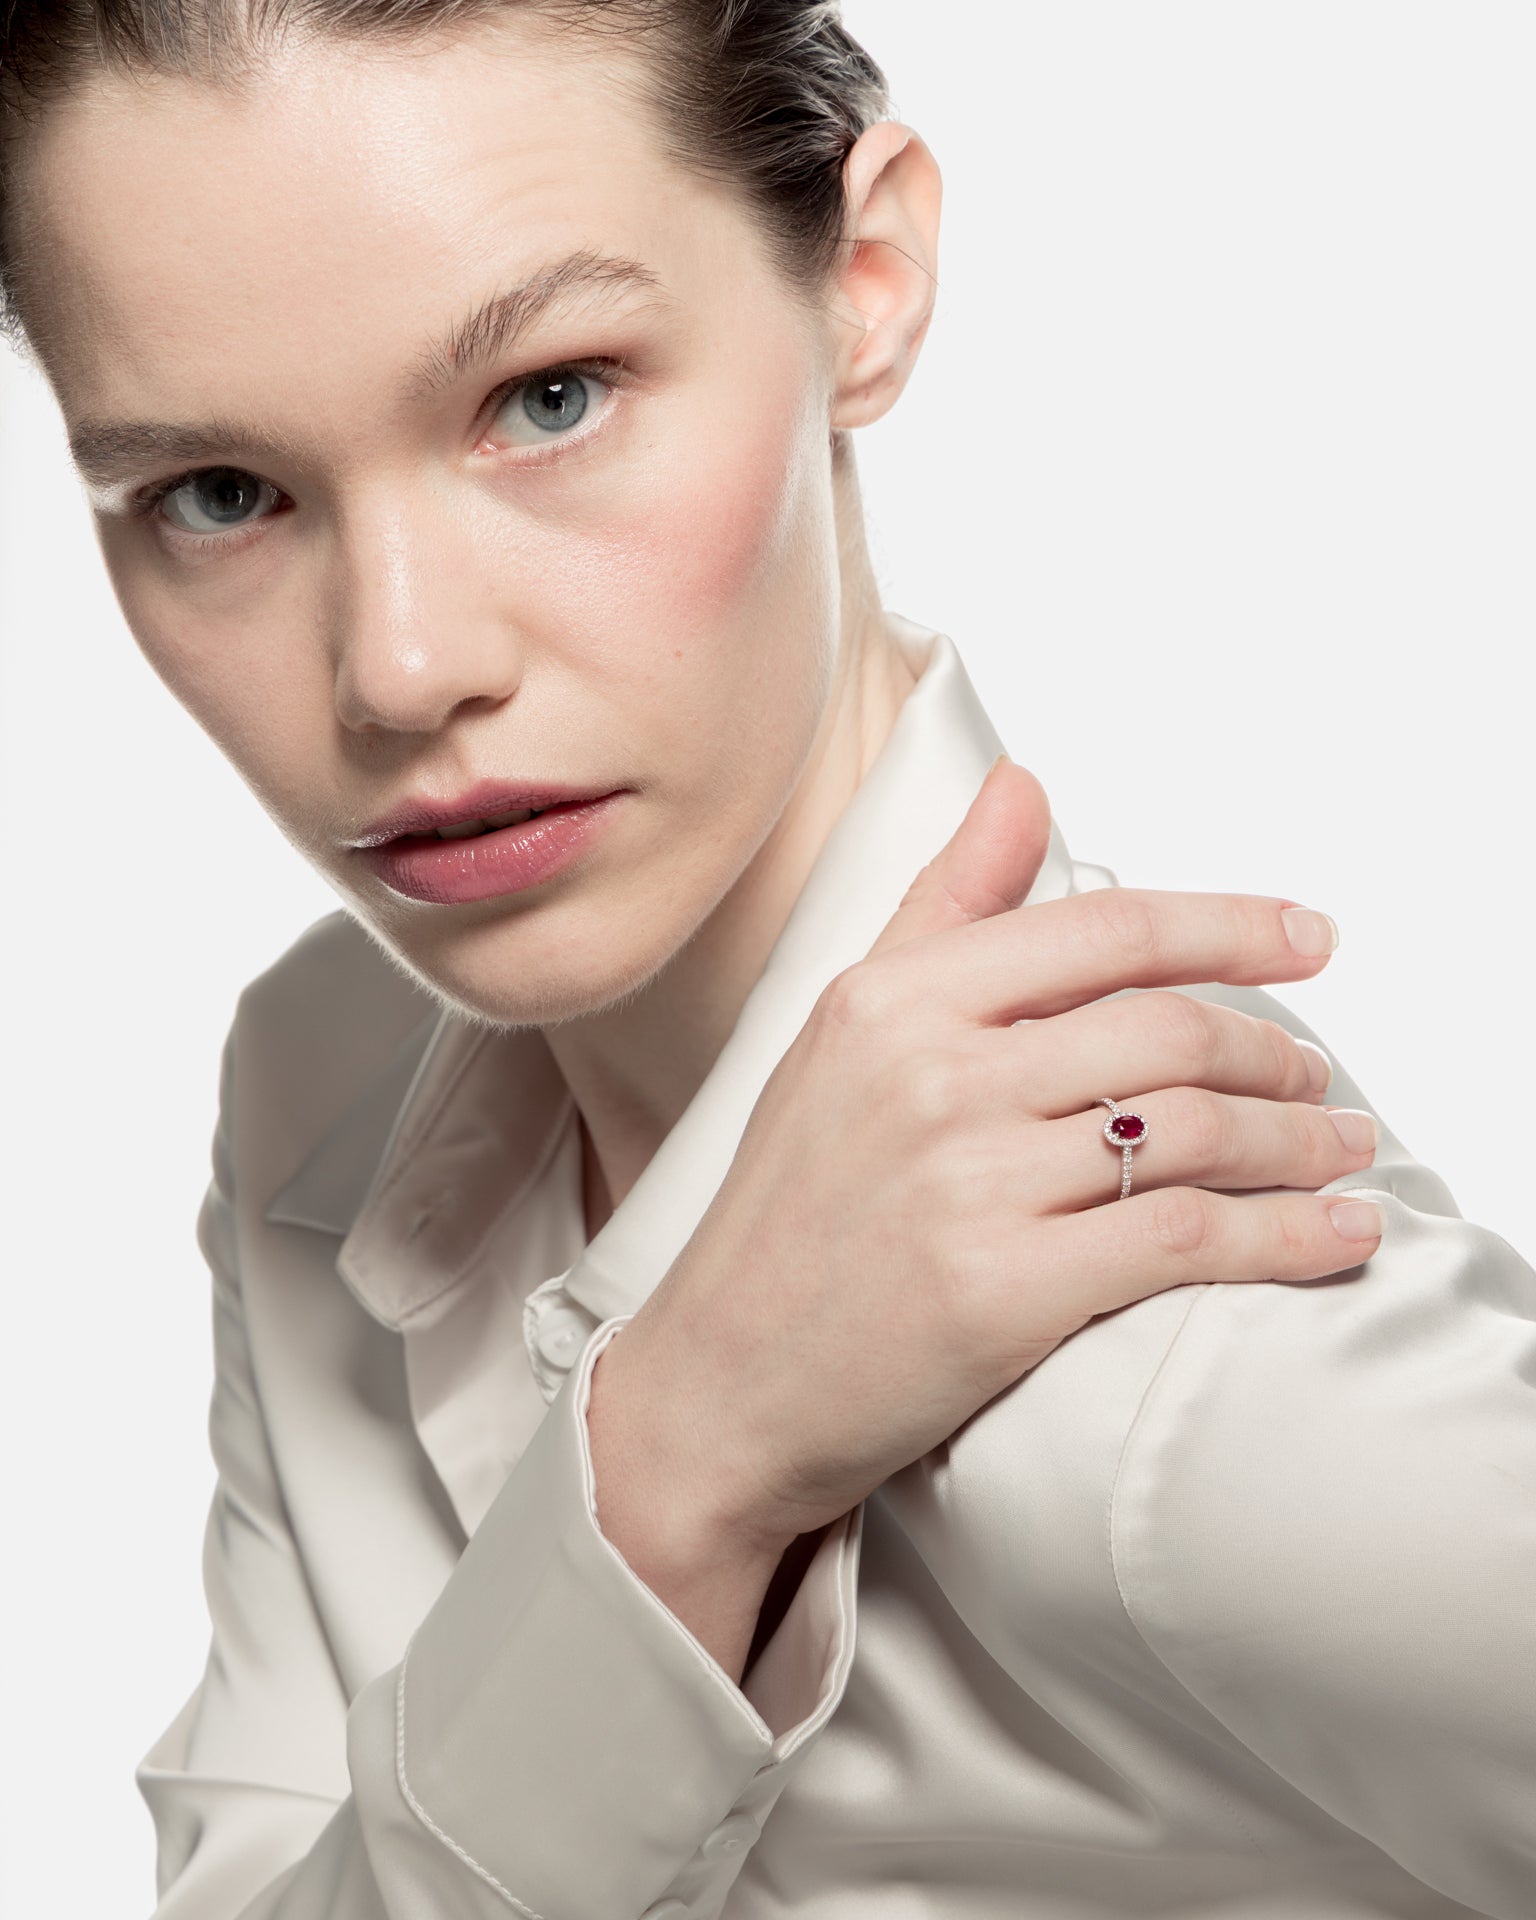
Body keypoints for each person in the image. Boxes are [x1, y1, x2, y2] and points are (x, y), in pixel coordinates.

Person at [2, 4, 1531, 1918]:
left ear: (866, 286)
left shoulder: (1180, 1379)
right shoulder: (321, 1078)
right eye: (218, 495)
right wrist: (671, 1472)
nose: (399, 667)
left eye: (550, 397)